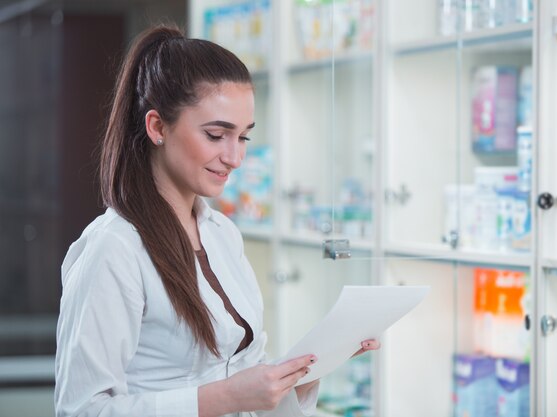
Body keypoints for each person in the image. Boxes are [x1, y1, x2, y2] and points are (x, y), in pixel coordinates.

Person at [54, 25, 379, 417]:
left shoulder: (223, 234)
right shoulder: (114, 249)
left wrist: (302, 376)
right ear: (157, 127)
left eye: (243, 137)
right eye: (215, 135)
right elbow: (81, 410)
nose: (235, 158)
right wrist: (226, 398)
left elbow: (245, 377)